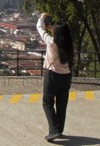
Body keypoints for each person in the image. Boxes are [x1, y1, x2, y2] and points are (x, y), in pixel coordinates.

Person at [37, 13, 74, 142]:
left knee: (47, 103)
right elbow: (60, 33)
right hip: (66, 77)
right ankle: (60, 129)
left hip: (52, 76)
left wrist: (42, 18)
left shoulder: (51, 43)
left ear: (56, 33)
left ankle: (54, 130)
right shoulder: (69, 45)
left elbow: (39, 29)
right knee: (62, 105)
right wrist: (52, 28)